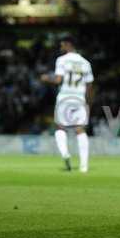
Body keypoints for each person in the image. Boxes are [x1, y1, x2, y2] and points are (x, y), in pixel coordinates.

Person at [41, 35, 93, 172]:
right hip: (79, 98)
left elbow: (58, 80)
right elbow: (89, 86)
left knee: (60, 127)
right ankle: (84, 165)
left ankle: (65, 153)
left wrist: (46, 78)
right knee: (80, 129)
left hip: (64, 97)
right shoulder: (86, 63)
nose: (61, 47)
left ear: (68, 44)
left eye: (62, 44)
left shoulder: (62, 60)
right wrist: (87, 103)